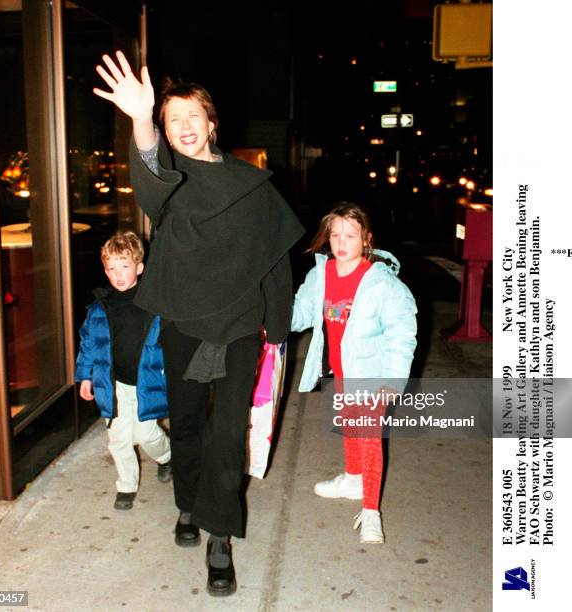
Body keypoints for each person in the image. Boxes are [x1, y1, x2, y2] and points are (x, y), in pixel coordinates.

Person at [93, 51, 304, 596]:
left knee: (227, 434)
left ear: (212, 124)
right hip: (181, 322)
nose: (184, 127)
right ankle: (187, 503)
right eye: (172, 120)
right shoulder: (171, 181)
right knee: (185, 426)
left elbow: (276, 260)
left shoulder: (253, 185)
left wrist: (277, 336)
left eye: (193, 117)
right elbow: (151, 182)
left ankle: (220, 538)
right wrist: (140, 121)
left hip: (237, 326)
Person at [291, 202, 417, 543]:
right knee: (348, 426)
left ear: (367, 239)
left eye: (351, 235)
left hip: (371, 375)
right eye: (335, 235)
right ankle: (351, 479)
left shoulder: (382, 284)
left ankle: (371, 511)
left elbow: (402, 334)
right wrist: (266, 316)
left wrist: (393, 381)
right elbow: (299, 314)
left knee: (369, 441)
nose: (342, 242)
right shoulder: (320, 275)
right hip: (339, 371)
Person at [75, 231, 172, 511]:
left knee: (145, 434)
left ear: (140, 268)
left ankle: (166, 457)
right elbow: (89, 343)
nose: (118, 275)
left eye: (125, 266)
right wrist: (85, 376)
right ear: (105, 271)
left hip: (146, 382)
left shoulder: (155, 303)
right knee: (118, 437)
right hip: (114, 384)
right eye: (111, 268)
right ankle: (126, 486)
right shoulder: (100, 308)